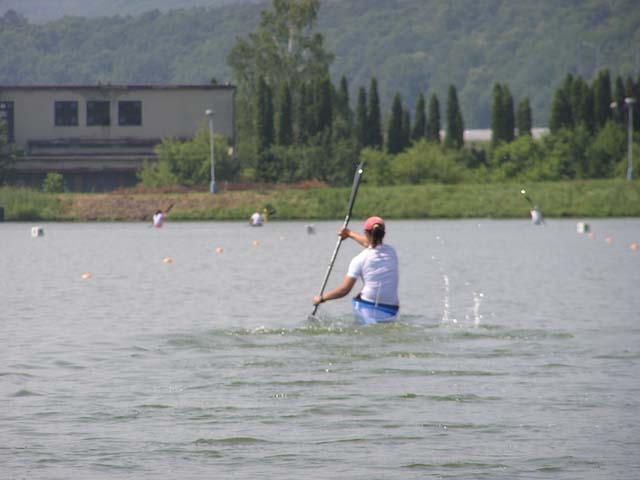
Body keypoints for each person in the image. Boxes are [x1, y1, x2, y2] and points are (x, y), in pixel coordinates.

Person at [312, 216, 399, 324]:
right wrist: (349, 234)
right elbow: (371, 244)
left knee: (358, 297)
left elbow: (345, 290)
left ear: (365, 233)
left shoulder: (359, 259)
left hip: (368, 305)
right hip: (391, 308)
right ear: (384, 234)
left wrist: (322, 298)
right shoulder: (392, 252)